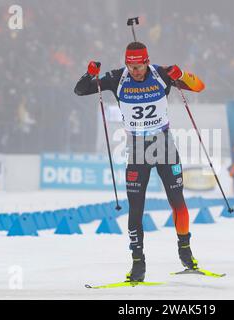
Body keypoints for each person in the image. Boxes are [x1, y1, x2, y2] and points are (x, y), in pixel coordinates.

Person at [74, 41, 205, 282]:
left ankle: (185, 253)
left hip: (164, 144)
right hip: (137, 149)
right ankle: (138, 264)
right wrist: (90, 73)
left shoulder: (162, 74)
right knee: (136, 208)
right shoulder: (116, 78)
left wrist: (182, 74)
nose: (135, 71)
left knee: (177, 200)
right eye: (131, 66)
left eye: (139, 66)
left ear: (147, 61)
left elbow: (199, 86)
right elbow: (81, 90)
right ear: (126, 63)